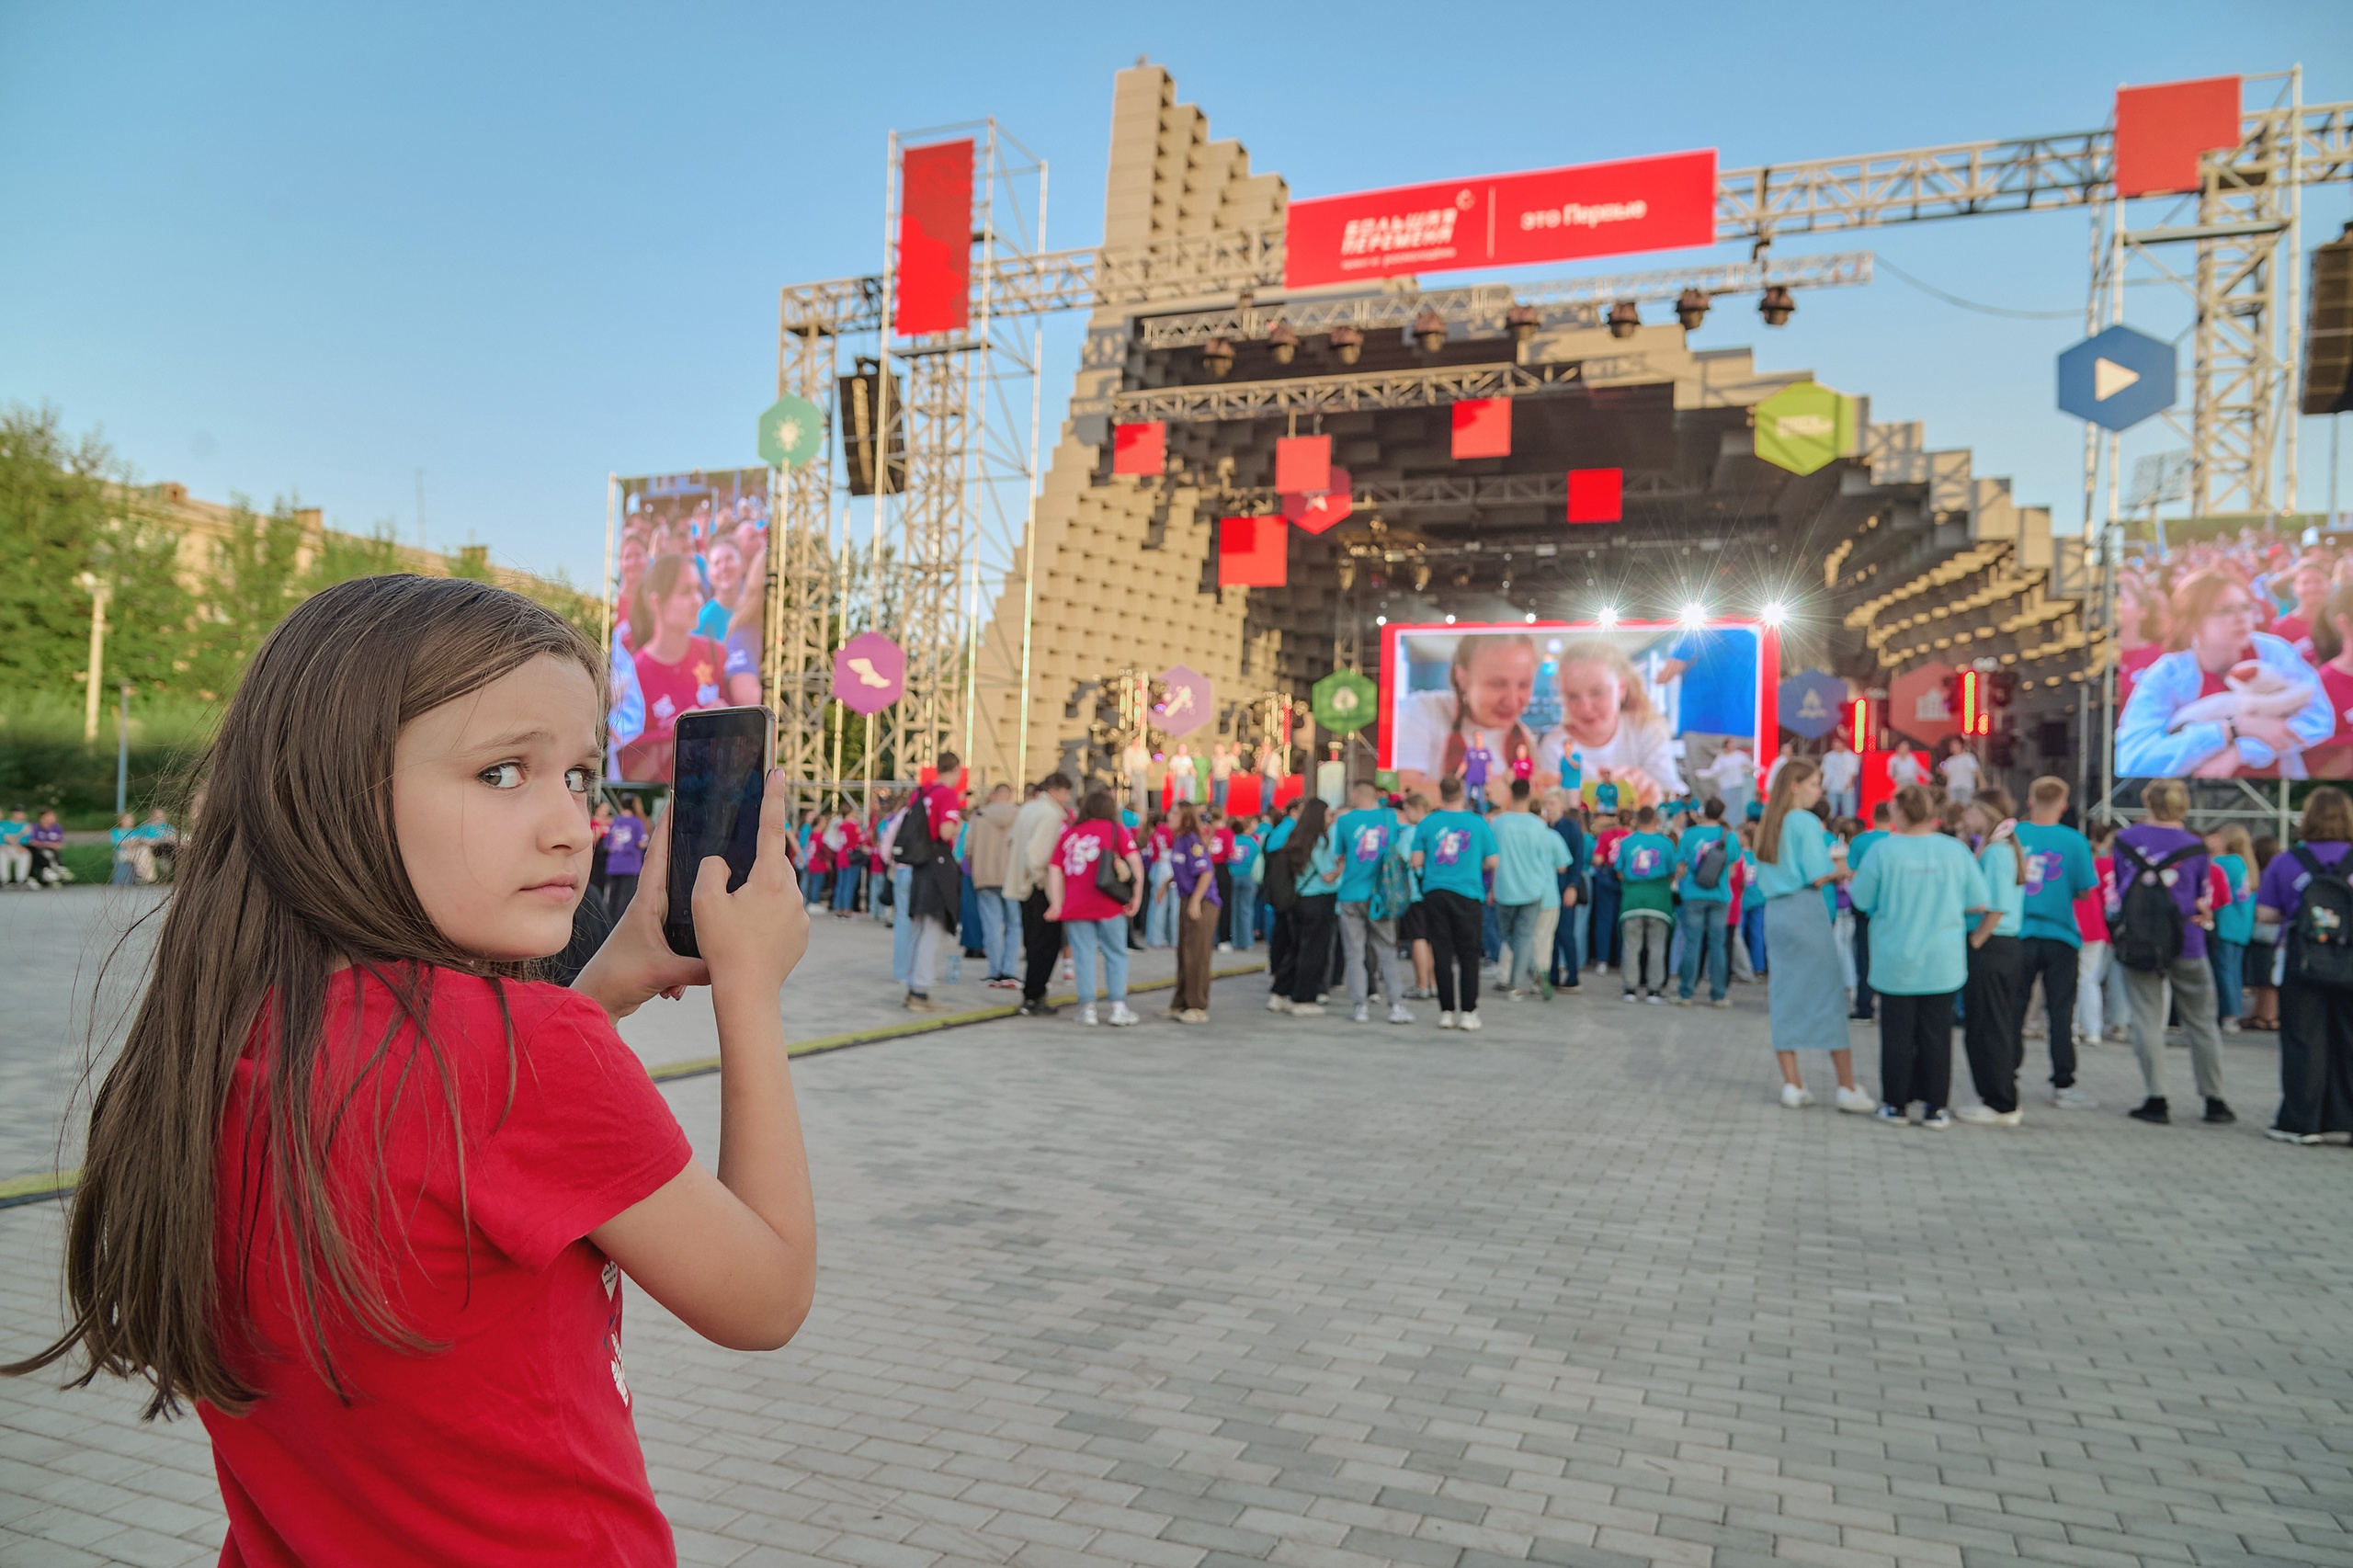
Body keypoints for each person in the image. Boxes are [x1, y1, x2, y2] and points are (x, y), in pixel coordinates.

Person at [0, 574, 820, 1562]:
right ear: (335, 793)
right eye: (503, 773)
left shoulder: (225, 1032)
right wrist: (749, 983)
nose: (571, 823)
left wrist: (601, 987)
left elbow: (455, 1118)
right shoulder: (527, 1055)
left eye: (580, 777)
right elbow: (765, 1294)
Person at [1848, 782, 1990, 1129]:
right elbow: (1979, 900)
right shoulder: (1955, 851)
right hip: (1942, 959)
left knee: (1896, 1036)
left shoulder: (1883, 852)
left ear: (1898, 811)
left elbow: (1861, 900)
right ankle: (1936, 1107)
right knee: (1937, 1037)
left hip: (1895, 958)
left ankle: (1895, 1105)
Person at [2115, 571, 2330, 778]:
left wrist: (2240, 752)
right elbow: (2133, 759)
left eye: (2246, 607)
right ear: (2192, 623)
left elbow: (2319, 718)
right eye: (2226, 610)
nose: (2242, 618)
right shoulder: (2168, 675)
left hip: (2274, 795)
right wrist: (2231, 729)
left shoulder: (2275, 652)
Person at [2110, 778, 2235, 1126]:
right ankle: (2214, 1099)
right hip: (2188, 941)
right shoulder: (2196, 848)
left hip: (2139, 941)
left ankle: (2157, 1097)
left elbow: (2118, 890)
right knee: (2201, 1022)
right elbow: (2202, 898)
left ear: (2147, 802)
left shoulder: (2126, 840)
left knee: (2147, 1020)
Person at [1754, 760, 1875, 1111]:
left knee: (1784, 994)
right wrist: (1842, 867)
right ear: (1795, 785)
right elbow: (1818, 874)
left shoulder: (1768, 822)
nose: (1818, 790)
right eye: (1813, 784)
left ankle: (1792, 1083)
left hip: (1775, 912)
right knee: (1827, 994)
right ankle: (1846, 1086)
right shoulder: (1804, 822)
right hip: (1805, 910)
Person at [2256, 785, 2353, 1143]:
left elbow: (2266, 913)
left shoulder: (2287, 861)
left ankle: (2301, 1122)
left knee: (2302, 1040)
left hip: (2303, 961)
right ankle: (2345, 1120)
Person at [2011, 777, 2101, 1108]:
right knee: (2060, 1012)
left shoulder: (2014, 836)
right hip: (2061, 934)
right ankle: (2063, 1084)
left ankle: (2007, 1075)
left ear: (2030, 800)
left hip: (2019, 933)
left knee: (2014, 1009)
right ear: (2063, 806)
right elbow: (2085, 889)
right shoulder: (2074, 840)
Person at [1393, 634, 1544, 806]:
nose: (1511, 700)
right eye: (1497, 684)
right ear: (1462, 677)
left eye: (1524, 685)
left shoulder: (1524, 737)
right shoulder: (1423, 710)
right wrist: (1489, 793)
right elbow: (1403, 790)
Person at [1537, 637, 1684, 809]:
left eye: (1597, 692)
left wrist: (1652, 788)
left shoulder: (1646, 729)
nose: (1586, 707)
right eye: (1573, 696)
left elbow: (1675, 799)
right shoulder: (1554, 745)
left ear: (1621, 688)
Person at [1956, 790, 2029, 1127]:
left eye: (1969, 809)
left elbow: (1996, 906)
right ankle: (1996, 1097)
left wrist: (1975, 941)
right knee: (1988, 1024)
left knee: (1989, 1026)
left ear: (1983, 811)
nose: (1964, 816)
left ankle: (2000, 1101)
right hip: (1999, 945)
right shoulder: (1997, 848)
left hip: (1993, 945)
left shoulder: (1997, 853)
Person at [617, 553, 723, 783]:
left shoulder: (716, 654)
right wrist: (682, 730)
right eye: (686, 592)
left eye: (698, 590)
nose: (697, 600)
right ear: (656, 602)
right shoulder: (633, 674)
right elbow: (630, 772)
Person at [1044, 787, 1142, 1027]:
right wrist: (1136, 897)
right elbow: (1135, 862)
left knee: (1083, 954)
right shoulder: (1115, 830)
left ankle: (1087, 1008)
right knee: (1115, 953)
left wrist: (1057, 903)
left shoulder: (1070, 834)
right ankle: (1118, 1007)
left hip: (1077, 905)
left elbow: (1054, 868)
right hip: (1109, 903)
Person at [1409, 778, 1497, 1028]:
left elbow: (1416, 861)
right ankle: (1469, 1012)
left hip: (1436, 892)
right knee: (1469, 955)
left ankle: (1446, 1011)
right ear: (1462, 792)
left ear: (1440, 792)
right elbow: (1493, 862)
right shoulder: (1478, 823)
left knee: (1442, 952)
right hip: (1468, 893)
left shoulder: (1427, 823)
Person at [1331, 780, 1413, 1024]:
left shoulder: (1344, 821)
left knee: (1354, 952)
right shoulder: (1389, 817)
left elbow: (1340, 855)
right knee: (1387, 949)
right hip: (1380, 894)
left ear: (1356, 795)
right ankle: (1396, 1005)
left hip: (1350, 893)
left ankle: (1360, 1007)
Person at [1489, 779, 1571, 1002]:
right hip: (1533, 890)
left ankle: (1518, 983)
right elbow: (1553, 862)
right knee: (1522, 938)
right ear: (1531, 794)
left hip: (1506, 889)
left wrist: (1492, 888)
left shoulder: (1498, 824)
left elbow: (1493, 859)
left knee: (1513, 937)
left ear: (1509, 793)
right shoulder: (1539, 827)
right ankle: (1533, 973)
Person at [897, 754, 966, 1012]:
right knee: (934, 929)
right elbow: (947, 830)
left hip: (919, 865)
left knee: (918, 928)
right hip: (938, 863)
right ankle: (921, 991)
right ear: (956, 769)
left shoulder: (920, 792)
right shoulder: (947, 794)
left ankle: (912, 985)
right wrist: (959, 826)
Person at [1006, 773, 1074, 1017]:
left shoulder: (1029, 808)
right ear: (1056, 790)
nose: (1068, 798)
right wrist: (1044, 879)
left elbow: (1012, 840)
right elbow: (1036, 855)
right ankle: (1034, 995)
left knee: (1033, 941)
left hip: (1022, 885)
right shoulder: (1051, 814)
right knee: (1045, 944)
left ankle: (1033, 992)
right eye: (1066, 792)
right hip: (1040, 887)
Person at [1671, 798, 1735, 1006]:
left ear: (1703, 812)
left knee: (1692, 944)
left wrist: (1683, 885)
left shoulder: (1690, 834)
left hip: (1693, 894)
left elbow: (1680, 866)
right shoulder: (1729, 837)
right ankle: (1718, 994)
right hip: (1718, 895)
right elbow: (1733, 869)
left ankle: (1686, 993)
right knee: (1718, 945)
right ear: (1722, 815)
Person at [1612, 806, 1676, 1003]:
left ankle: (1630, 989)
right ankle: (1654, 990)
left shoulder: (1627, 843)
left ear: (1637, 820)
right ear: (1656, 820)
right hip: (1659, 901)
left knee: (1632, 946)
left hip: (1632, 900)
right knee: (1657, 947)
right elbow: (1672, 872)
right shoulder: (1666, 844)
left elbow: (1619, 872)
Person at [1167, 802, 1221, 1023]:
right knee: (1184, 954)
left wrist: (1196, 900)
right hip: (1187, 898)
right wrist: (1165, 884)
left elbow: (1206, 872)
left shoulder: (1192, 842)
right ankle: (1181, 1002)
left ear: (1186, 818)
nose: (1168, 816)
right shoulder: (1179, 840)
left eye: (1174, 813)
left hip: (1201, 901)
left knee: (1197, 954)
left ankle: (1198, 1005)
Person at [966, 783, 1020, 988]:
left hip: (985, 877)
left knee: (991, 925)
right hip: (1012, 877)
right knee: (1014, 925)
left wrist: (975, 870)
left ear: (993, 795)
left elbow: (968, 848)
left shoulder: (979, 816)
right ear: (1009, 795)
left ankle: (994, 970)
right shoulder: (1019, 814)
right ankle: (1010, 970)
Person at [2206, 823, 2256, 1033]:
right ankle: (2234, 1012)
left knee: (2223, 970)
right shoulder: (2244, 863)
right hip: (2242, 925)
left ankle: (2228, 1014)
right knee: (2234, 972)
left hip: (2225, 923)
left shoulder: (2222, 862)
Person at [1546, 790, 1587, 990]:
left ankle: (1573, 975)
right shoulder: (1544, 828)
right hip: (1547, 887)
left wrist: (1572, 886)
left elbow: (1577, 860)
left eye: (1552, 803)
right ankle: (1552, 974)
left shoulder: (1571, 828)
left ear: (1562, 805)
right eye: (1547, 803)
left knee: (1565, 932)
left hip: (1564, 886)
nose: (1549, 807)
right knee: (1550, 933)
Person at [2244, 832, 2283, 1032]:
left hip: (2267, 930)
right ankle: (2259, 1012)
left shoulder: (2267, 874)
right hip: (2270, 932)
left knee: (2267, 977)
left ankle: (2268, 1015)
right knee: (2263, 975)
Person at [603, 797, 649, 923]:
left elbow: (607, 844)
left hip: (613, 865)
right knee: (626, 897)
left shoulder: (615, 822)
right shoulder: (637, 823)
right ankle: (621, 924)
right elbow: (642, 842)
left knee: (612, 897)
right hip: (630, 865)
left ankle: (608, 923)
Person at [1225, 813, 1262, 953]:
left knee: (1234, 909)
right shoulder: (1253, 842)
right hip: (1248, 876)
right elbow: (1257, 859)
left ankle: (1234, 939)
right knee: (1247, 910)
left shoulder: (1234, 839)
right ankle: (1247, 941)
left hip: (1233, 875)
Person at [1697, 741, 1756, 825]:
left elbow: (1750, 765)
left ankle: (1738, 825)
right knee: (1728, 808)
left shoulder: (1739, 755)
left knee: (1738, 808)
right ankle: (1728, 825)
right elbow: (1714, 771)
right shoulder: (1721, 758)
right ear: (1726, 746)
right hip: (1726, 787)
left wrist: (1759, 769)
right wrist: (1702, 774)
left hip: (1738, 786)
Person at [1819, 738, 1861, 822]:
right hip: (1832, 787)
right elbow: (1823, 771)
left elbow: (1853, 772)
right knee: (1831, 811)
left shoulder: (1851, 756)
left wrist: (1849, 783)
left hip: (1846, 788)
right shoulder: (1828, 757)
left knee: (1849, 812)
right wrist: (1824, 785)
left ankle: (1849, 828)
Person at [1938, 737, 1981, 805]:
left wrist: (1981, 782)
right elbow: (1947, 776)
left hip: (1966, 787)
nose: (1952, 747)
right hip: (1953, 788)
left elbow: (1976, 771)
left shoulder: (1968, 757)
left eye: (1954, 745)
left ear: (1960, 745)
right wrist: (1942, 772)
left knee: (1965, 807)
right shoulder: (1949, 760)